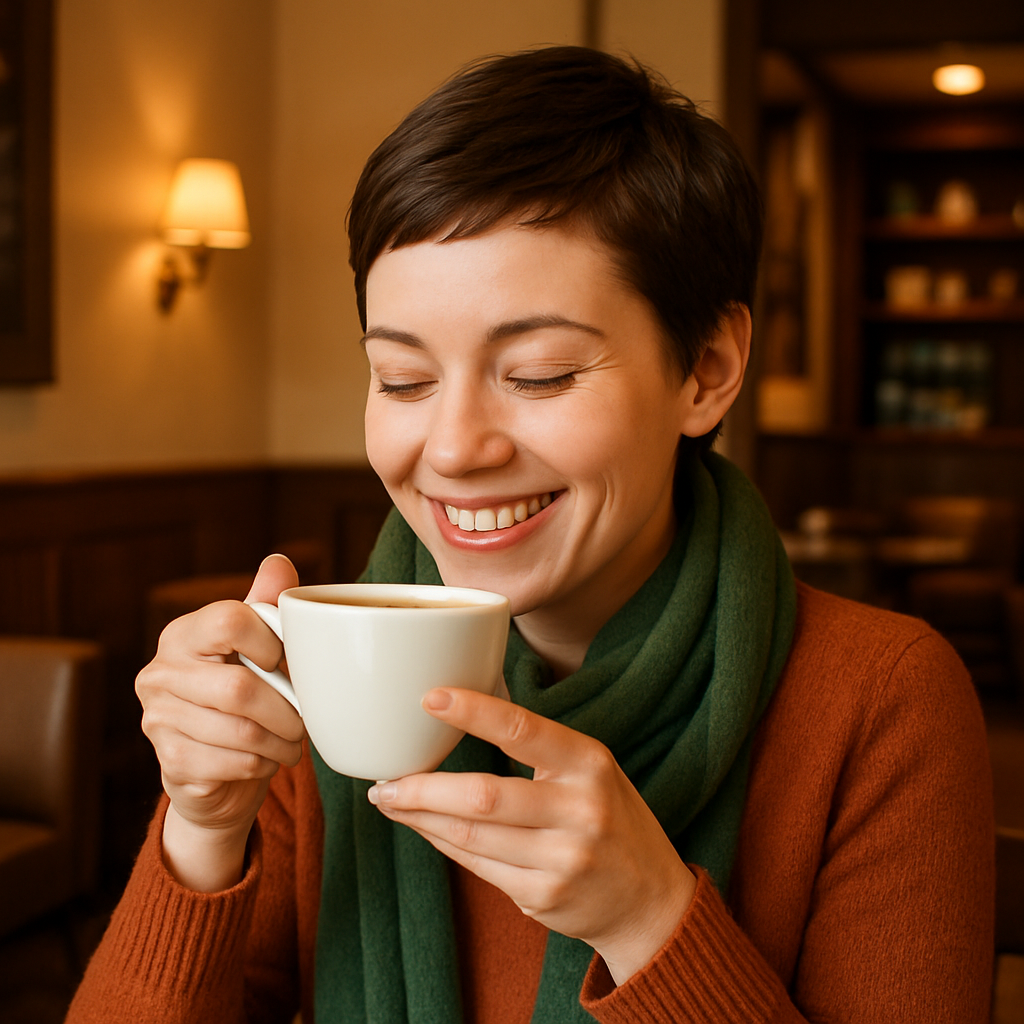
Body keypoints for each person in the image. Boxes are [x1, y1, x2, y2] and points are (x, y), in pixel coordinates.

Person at [67, 46, 994, 1024]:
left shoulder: (880, 702)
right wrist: (202, 831)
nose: (455, 449)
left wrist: (646, 919)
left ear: (707, 369)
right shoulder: (317, 681)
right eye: (403, 379)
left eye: (541, 373)